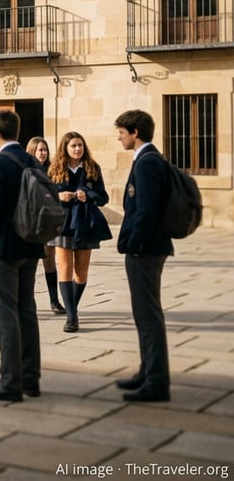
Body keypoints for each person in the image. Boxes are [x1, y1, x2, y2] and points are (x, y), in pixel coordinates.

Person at [0, 109, 44, 402]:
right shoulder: (32, 160)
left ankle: (10, 381)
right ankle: (30, 378)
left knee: (4, 314)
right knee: (27, 312)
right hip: (31, 244)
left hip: (3, 248)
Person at [114, 110, 173, 402]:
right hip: (149, 248)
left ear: (135, 132)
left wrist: (133, 243)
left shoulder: (148, 162)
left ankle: (157, 382)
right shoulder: (148, 159)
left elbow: (146, 211)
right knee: (144, 313)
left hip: (146, 250)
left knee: (148, 314)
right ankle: (147, 370)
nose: (119, 137)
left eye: (122, 132)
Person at [48, 132, 110, 333]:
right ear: (65, 147)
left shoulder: (93, 168)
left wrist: (88, 194)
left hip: (85, 222)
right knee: (65, 268)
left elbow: (103, 197)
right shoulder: (55, 169)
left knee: (81, 273)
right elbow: (45, 196)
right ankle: (72, 318)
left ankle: (71, 306)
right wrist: (60, 196)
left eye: (80, 145)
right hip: (62, 222)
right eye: (73, 145)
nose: (77, 149)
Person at [27, 136, 66, 315]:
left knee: (50, 263)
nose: (43, 153)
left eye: (45, 150)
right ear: (32, 151)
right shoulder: (27, 169)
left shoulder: (53, 169)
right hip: (34, 221)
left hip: (49, 220)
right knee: (32, 264)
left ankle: (54, 300)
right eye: (39, 150)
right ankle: (29, 301)